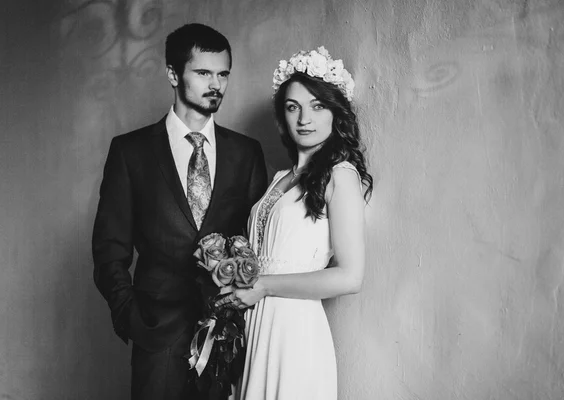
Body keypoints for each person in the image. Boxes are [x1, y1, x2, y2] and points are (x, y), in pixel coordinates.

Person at [92, 23, 268, 400]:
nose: (216, 84)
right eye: (203, 72)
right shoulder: (131, 152)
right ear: (173, 73)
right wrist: (131, 317)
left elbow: (258, 243)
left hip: (228, 337)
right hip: (157, 334)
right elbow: (109, 247)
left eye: (223, 74)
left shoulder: (246, 153)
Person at [216, 47, 373, 400]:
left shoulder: (340, 175)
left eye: (317, 106)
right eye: (293, 107)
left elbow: (350, 277)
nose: (304, 118)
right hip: (257, 323)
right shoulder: (280, 178)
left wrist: (264, 286)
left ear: (336, 112)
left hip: (294, 329)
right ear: (282, 118)